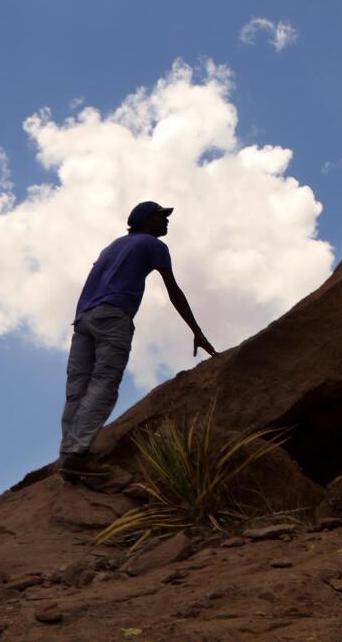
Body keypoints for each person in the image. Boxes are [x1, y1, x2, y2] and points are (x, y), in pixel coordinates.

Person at [59, 200, 217, 481]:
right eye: (161, 216)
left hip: (84, 318)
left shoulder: (112, 246)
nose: (166, 221)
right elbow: (174, 291)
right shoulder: (153, 245)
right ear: (146, 220)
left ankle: (68, 451)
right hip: (113, 316)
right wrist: (197, 330)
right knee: (104, 382)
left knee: (77, 387)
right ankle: (78, 454)